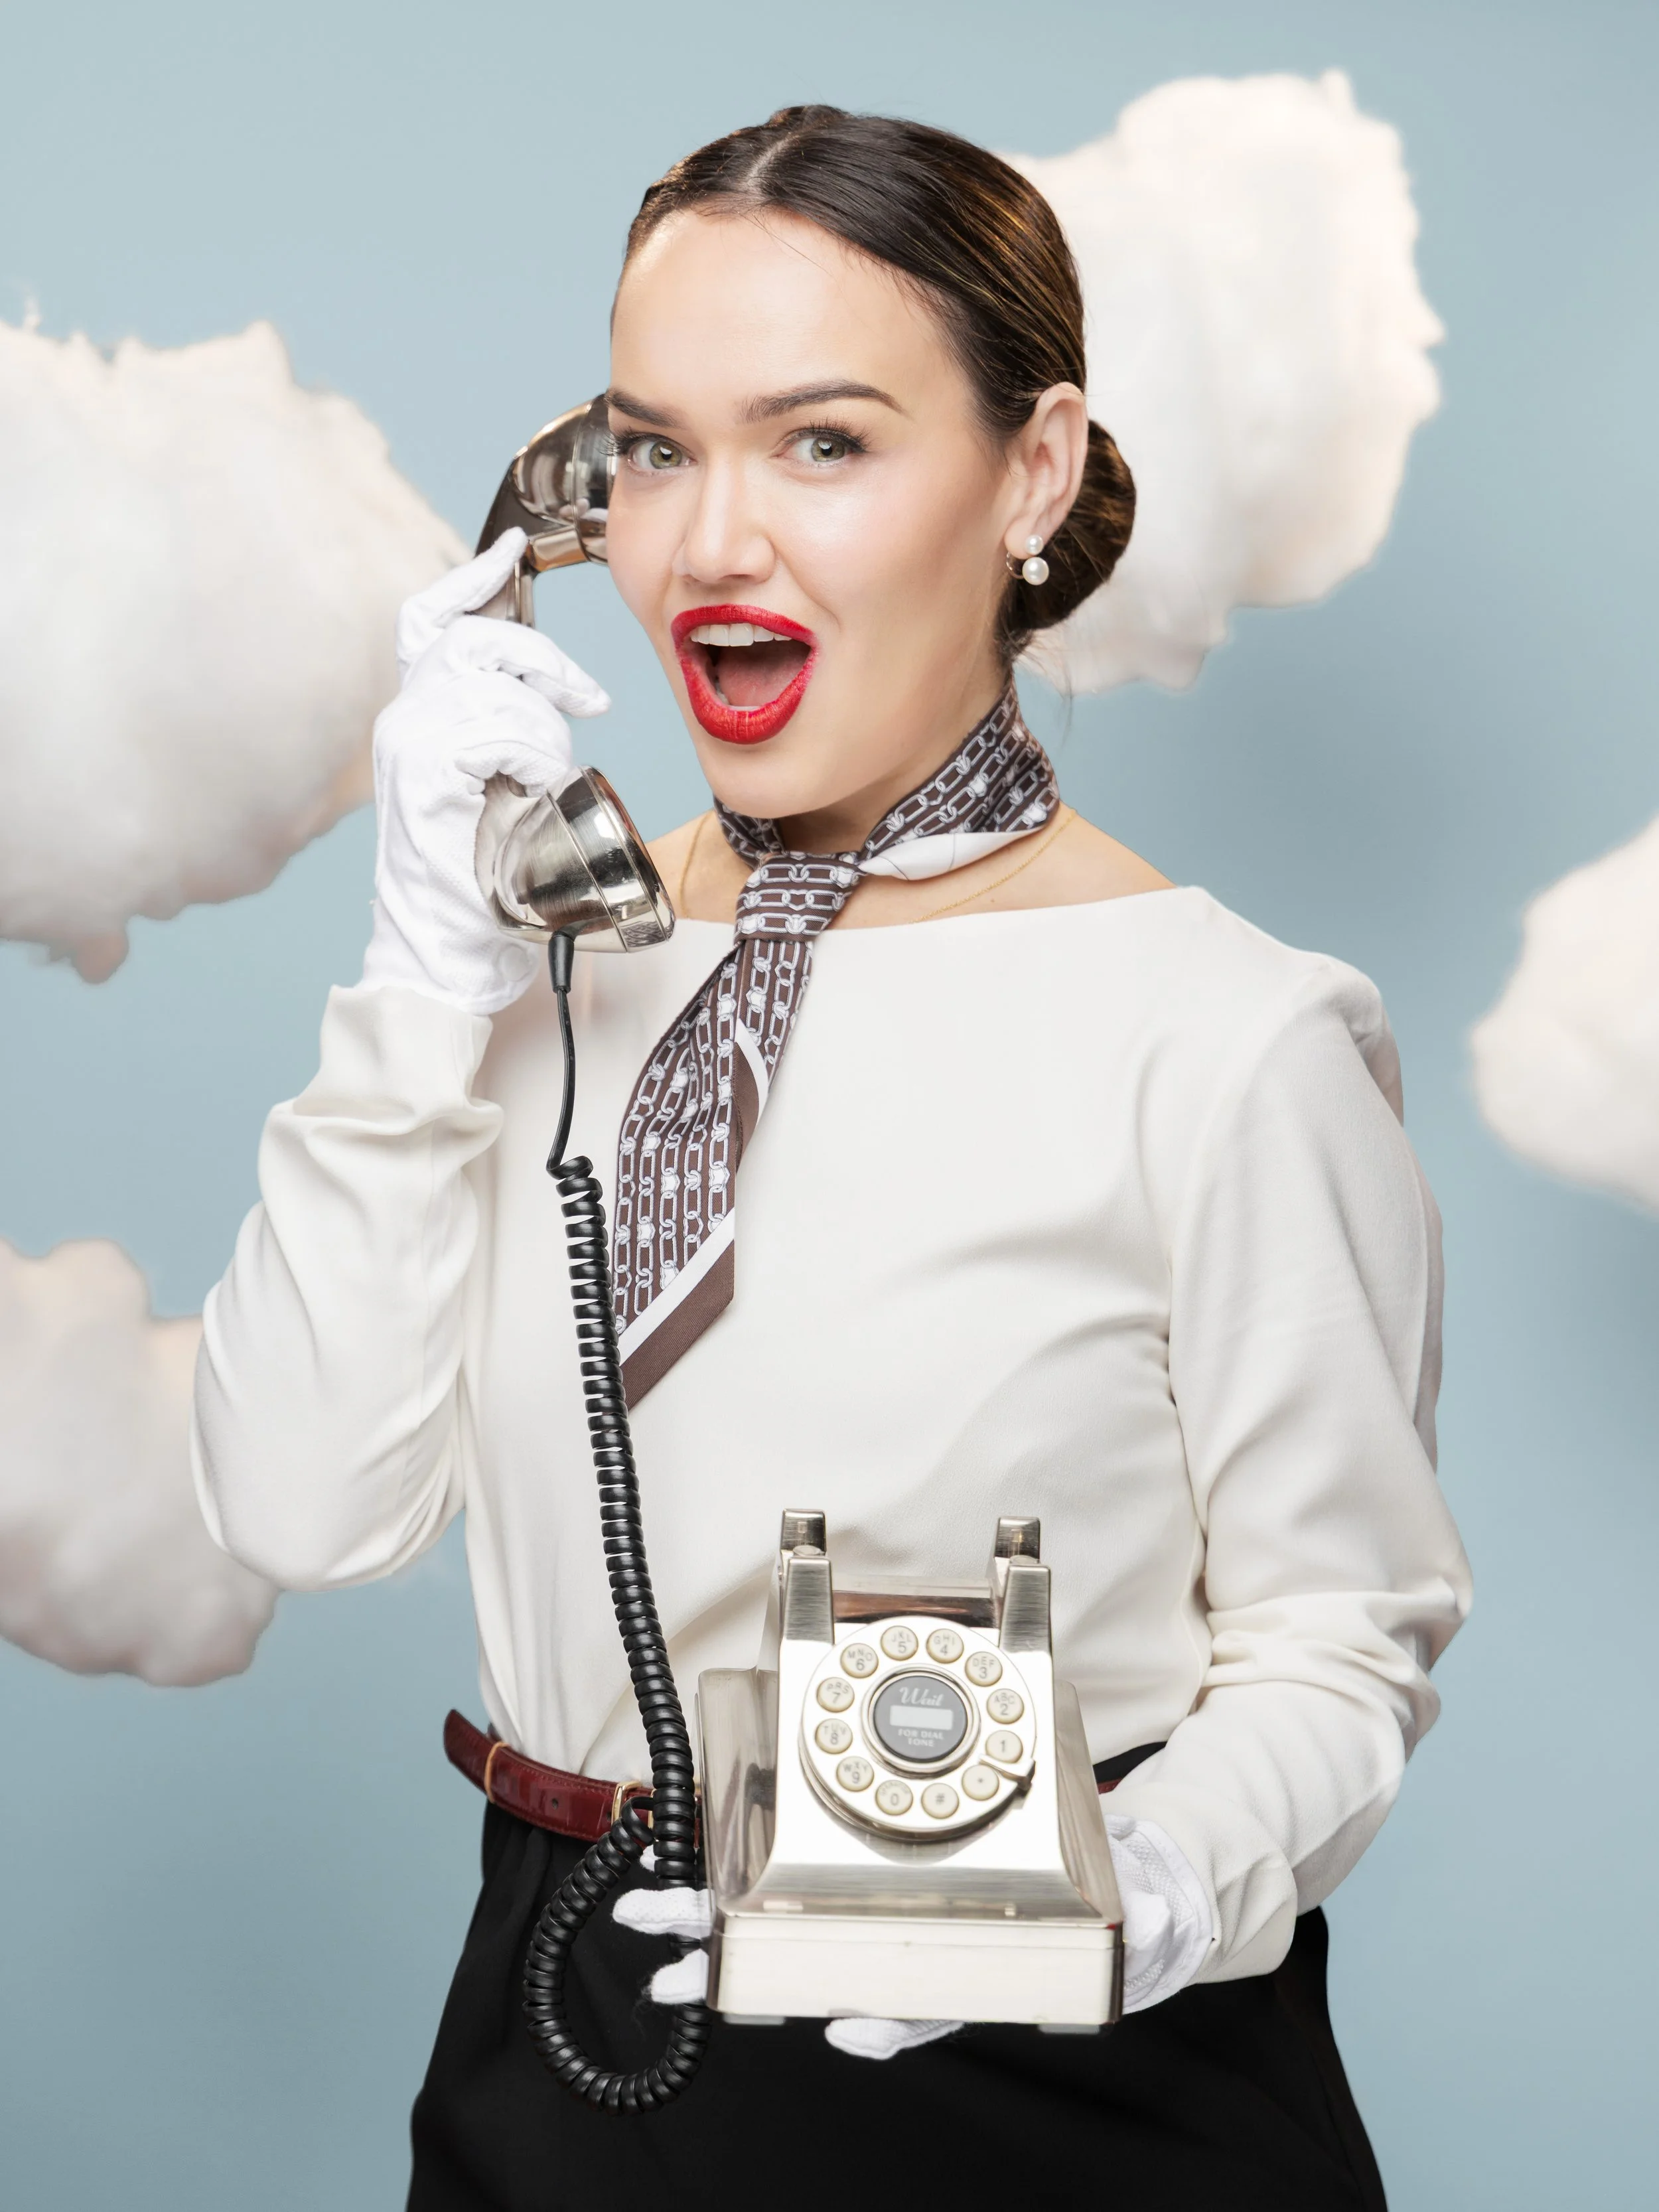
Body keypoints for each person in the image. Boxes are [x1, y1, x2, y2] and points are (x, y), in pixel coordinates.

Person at [192, 106, 1471, 2211]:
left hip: (1047, 2083)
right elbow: (299, 1503)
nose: (709, 546)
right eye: (657, 449)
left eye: (823, 443)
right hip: (558, 2049)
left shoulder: (1231, 1033)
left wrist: (1141, 1888)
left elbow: (1336, 1642)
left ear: (1030, 475)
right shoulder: (534, 979)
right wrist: (421, 967)